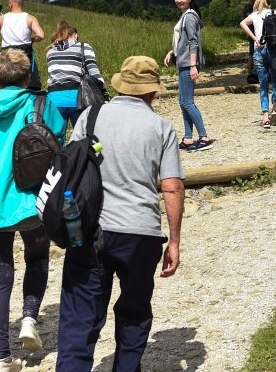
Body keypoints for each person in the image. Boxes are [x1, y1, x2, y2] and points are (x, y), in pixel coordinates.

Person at [56, 55, 185, 372]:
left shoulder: (90, 116)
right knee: (135, 310)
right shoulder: (162, 128)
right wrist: (175, 242)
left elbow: (69, 167)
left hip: (90, 229)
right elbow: (171, 188)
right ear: (153, 92)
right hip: (141, 233)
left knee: (80, 314)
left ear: (121, 86)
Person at [0, 49, 66, 372]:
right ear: (28, 77)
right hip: (32, 202)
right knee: (37, 259)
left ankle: (2, 358)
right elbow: (57, 146)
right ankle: (30, 318)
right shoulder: (43, 105)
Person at [163, 0, 214, 152]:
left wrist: (193, 65)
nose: (179, 1)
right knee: (182, 102)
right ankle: (187, 138)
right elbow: (183, 41)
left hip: (188, 64)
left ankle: (204, 137)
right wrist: (172, 52)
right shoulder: (185, 16)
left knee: (187, 102)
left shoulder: (190, 17)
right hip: (183, 61)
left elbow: (193, 42)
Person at [45, 21, 110, 127]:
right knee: (83, 137)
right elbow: (94, 72)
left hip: (54, 99)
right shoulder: (83, 47)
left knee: (54, 140)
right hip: (78, 99)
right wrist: (105, 94)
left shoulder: (50, 52)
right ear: (75, 35)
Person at [240, 0, 276, 128]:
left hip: (259, 50)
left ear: (256, 3)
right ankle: (275, 106)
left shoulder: (254, 15)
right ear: (269, 3)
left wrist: (255, 38)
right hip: (275, 49)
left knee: (263, 83)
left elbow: (242, 23)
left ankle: (265, 117)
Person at [0, 0, 45, 90]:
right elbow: (41, 35)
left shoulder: (2, 18)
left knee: (4, 84)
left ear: (10, 4)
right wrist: (32, 39)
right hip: (25, 55)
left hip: (7, 55)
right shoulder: (30, 18)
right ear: (22, 4)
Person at [242, 0, 258, 79]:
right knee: (252, 53)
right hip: (252, 33)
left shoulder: (248, 8)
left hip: (252, 33)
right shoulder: (248, 8)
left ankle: (252, 72)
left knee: (252, 53)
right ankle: (250, 73)